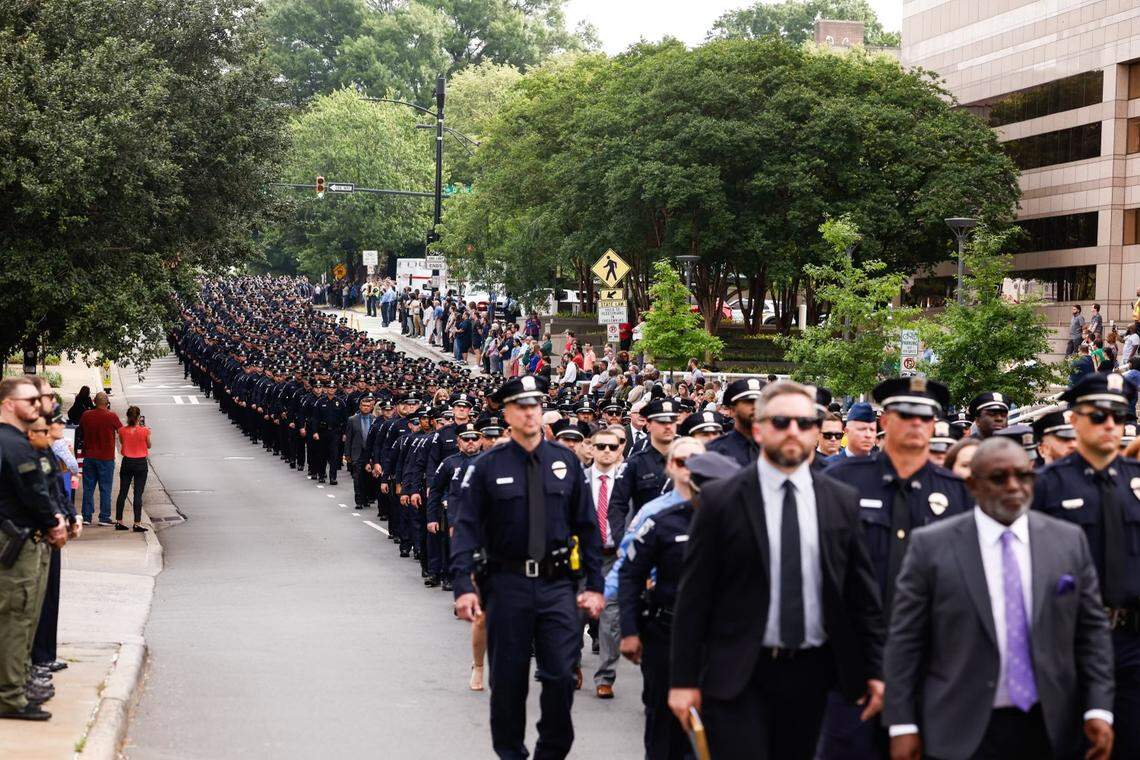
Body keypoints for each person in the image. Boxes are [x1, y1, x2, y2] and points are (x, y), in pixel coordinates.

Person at [668, 380, 885, 760]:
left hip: (814, 671)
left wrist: (876, 668)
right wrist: (683, 680)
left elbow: (858, 593)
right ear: (758, 428)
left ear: (817, 431)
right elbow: (694, 596)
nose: (793, 432)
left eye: (804, 423)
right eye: (781, 421)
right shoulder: (722, 500)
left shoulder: (840, 500)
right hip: (739, 671)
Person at [885, 438, 1115, 760]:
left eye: (1023, 476)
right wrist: (902, 724)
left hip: (1051, 727)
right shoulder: (931, 546)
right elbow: (905, 641)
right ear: (972, 485)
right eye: (998, 478)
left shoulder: (1067, 540)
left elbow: (1091, 634)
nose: (1013, 486)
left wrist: (1099, 710)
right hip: (961, 729)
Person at [451, 375, 605, 760]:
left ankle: (550, 753)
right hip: (507, 584)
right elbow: (467, 527)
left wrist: (594, 585)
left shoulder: (565, 461)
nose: (530, 412)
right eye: (521, 406)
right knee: (509, 681)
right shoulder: (487, 466)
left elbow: (586, 526)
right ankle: (511, 754)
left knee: (559, 676)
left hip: (557, 586)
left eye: (535, 405)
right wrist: (463, 587)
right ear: (507, 413)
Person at [819, 377, 971, 758]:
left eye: (926, 416)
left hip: (930, 664)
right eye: (906, 414)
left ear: (935, 424)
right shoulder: (840, 481)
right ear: (885, 420)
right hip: (848, 662)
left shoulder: (958, 494)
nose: (916, 423)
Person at [1032, 371, 1140, 758]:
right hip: (1068, 639)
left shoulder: (1136, 481)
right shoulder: (1045, 486)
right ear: (1074, 420)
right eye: (1099, 415)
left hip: (1133, 640)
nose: (1111, 424)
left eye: (1120, 415)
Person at [618, 444, 734, 760]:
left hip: (723, 641)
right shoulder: (662, 522)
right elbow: (629, 574)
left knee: (719, 727)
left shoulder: (741, 526)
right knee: (664, 727)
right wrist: (629, 630)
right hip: (667, 634)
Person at [0, 377, 69, 721]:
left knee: (23, 616)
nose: (39, 405)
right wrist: (53, 522)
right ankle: (11, 695)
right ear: (9, 404)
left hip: (27, 536)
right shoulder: (12, 445)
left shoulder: (20, 442)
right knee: (17, 617)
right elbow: (33, 493)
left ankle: (18, 683)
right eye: (31, 400)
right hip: (17, 538)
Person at [585, 427, 625, 699]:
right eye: (601, 447)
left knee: (611, 620)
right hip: (583, 556)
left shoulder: (626, 479)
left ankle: (605, 677)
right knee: (574, 616)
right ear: (592, 448)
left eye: (613, 446)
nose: (607, 451)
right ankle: (572, 666)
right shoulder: (578, 479)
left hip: (614, 556)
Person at [608, 399, 678, 542]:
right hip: (645, 540)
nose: (668, 426)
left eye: (672, 421)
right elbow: (617, 505)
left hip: (678, 541)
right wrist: (621, 541)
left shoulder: (688, 459)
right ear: (649, 424)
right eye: (662, 422)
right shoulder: (635, 463)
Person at [78, 391, 122, 525]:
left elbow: (80, 431)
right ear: (107, 403)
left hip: (89, 456)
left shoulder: (86, 415)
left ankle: (86, 516)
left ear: (94, 401)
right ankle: (104, 517)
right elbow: (122, 431)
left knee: (88, 488)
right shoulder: (112, 416)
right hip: (106, 457)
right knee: (105, 487)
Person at [706, 377, 763, 465]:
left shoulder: (776, 448)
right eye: (749, 402)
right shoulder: (716, 450)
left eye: (760, 402)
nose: (755, 406)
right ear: (732, 410)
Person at [114, 406, 150, 532]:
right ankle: (137, 522)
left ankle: (119, 520)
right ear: (139, 417)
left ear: (128, 417)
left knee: (123, 492)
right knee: (138, 493)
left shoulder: (122, 430)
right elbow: (149, 445)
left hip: (127, 461)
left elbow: (123, 443)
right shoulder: (145, 430)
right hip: (140, 463)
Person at [343, 395, 376, 510]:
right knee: (357, 478)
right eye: (364, 406)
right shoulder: (352, 420)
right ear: (360, 406)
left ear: (371, 407)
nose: (366, 408)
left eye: (368, 406)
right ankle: (359, 500)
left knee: (369, 478)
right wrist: (347, 454)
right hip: (357, 453)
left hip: (370, 454)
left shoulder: (374, 419)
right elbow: (348, 438)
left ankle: (367, 499)